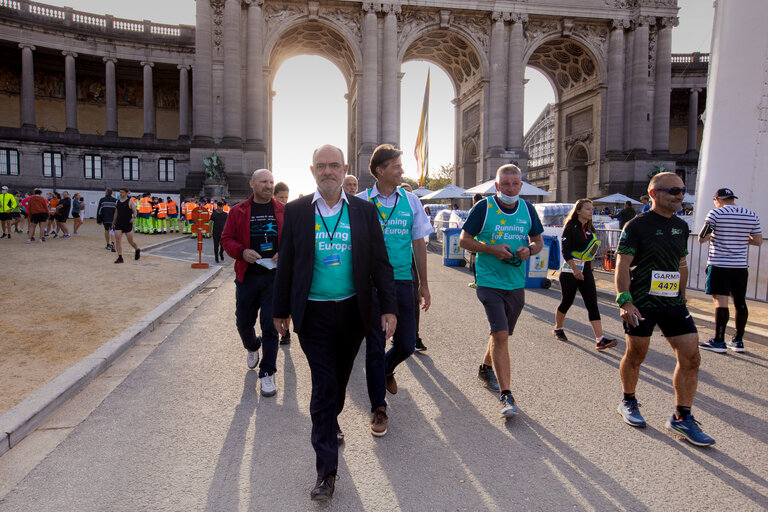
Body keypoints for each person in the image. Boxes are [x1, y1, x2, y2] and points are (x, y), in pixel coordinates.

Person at [273, 144, 396, 502]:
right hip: (313, 314)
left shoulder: (363, 210)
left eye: (333, 166)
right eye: (320, 166)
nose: (327, 171)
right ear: (312, 172)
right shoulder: (296, 211)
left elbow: (380, 263)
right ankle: (326, 472)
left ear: (344, 169)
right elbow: (288, 265)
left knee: (340, 381)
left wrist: (389, 308)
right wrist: (280, 310)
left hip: (353, 312)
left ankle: (332, 418)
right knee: (325, 387)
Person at [615, 171, 714, 447]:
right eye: (672, 190)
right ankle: (628, 401)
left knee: (692, 358)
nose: (679, 195)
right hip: (642, 301)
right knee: (636, 355)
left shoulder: (681, 227)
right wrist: (625, 300)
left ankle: (682, 418)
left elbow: (681, 266)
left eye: (681, 190)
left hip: (672, 303)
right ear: (654, 194)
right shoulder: (636, 226)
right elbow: (622, 265)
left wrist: (682, 297)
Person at [357, 144, 433, 437]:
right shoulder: (361, 202)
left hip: (404, 280)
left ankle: (387, 369)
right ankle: (379, 408)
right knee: (374, 346)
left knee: (406, 345)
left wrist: (424, 284)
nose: (402, 170)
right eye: (397, 166)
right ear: (380, 170)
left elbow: (419, 243)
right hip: (372, 284)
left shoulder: (411, 201)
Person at [459, 164, 543, 418]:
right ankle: (506, 395)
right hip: (488, 281)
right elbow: (464, 239)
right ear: (496, 186)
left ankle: (486, 367)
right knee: (501, 334)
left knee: (501, 334)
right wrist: (491, 248)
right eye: (505, 184)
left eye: (514, 183)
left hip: (516, 282)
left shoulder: (528, 209)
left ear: (521, 185)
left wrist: (530, 249)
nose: (510, 188)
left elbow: (537, 241)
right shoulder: (484, 208)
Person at [221, 169, 284, 397]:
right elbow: (226, 238)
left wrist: (283, 252)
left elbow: (293, 239)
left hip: (273, 278)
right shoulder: (238, 211)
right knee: (243, 323)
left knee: (270, 326)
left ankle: (267, 373)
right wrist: (242, 251)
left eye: (271, 182)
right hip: (247, 276)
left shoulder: (283, 210)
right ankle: (252, 346)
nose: (268, 186)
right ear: (252, 184)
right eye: (264, 182)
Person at [697, 187, 762, 353]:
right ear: (733, 198)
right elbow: (758, 241)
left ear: (717, 200)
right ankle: (738, 340)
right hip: (740, 266)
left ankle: (719, 340)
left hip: (719, 264)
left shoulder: (715, 214)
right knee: (740, 302)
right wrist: (739, 238)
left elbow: (702, 238)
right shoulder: (750, 214)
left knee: (721, 301)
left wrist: (717, 235)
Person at [553, 199, 617, 350]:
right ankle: (558, 328)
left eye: (592, 208)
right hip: (570, 270)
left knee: (592, 303)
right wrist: (575, 269)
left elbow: (590, 253)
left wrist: (588, 270)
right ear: (578, 211)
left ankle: (600, 339)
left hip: (586, 270)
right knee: (567, 301)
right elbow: (565, 252)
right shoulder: (570, 227)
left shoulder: (590, 228)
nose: (591, 211)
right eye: (587, 209)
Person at [113, 187, 141, 264]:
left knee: (130, 241)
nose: (120, 194)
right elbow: (116, 213)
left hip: (127, 223)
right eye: (120, 192)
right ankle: (120, 257)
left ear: (126, 193)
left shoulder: (130, 201)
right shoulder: (117, 202)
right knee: (118, 240)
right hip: (119, 223)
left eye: (122, 192)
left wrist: (133, 218)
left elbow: (135, 211)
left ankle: (137, 249)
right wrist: (113, 222)